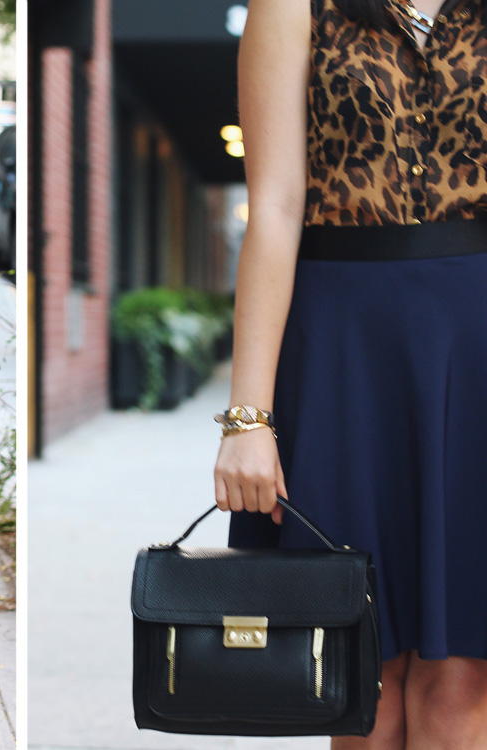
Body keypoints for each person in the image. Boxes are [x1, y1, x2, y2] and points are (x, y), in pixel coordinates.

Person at [214, 0, 487, 747]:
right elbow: (273, 206)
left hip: (479, 351)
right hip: (343, 359)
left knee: (462, 682)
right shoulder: (296, 5)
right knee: (358, 677)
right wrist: (250, 418)